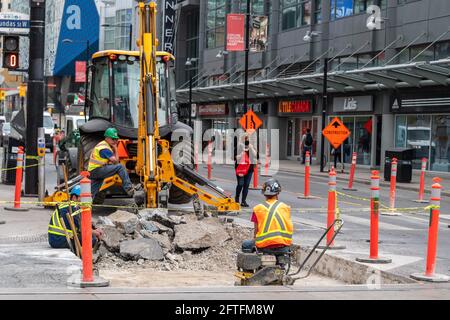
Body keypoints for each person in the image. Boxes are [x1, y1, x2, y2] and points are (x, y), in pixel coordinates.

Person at [242, 179, 293, 259]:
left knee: (246, 245)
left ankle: (249, 270)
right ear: (278, 193)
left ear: (264, 194)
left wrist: (255, 240)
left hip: (264, 246)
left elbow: (256, 231)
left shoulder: (258, 208)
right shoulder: (286, 207)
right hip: (284, 245)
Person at [88, 128, 134, 202]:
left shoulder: (103, 145)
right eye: (113, 139)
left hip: (93, 171)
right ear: (107, 138)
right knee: (120, 167)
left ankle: (84, 208)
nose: (115, 141)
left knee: (91, 192)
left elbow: (115, 161)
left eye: (116, 139)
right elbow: (116, 162)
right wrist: (116, 149)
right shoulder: (105, 148)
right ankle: (128, 188)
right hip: (97, 170)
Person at [234, 134, 257, 207]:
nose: (247, 141)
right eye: (245, 139)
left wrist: (251, 148)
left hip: (249, 169)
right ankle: (237, 198)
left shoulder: (251, 147)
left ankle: (243, 201)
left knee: (246, 185)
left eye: (248, 139)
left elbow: (256, 156)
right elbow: (234, 158)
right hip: (240, 169)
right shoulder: (239, 147)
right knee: (240, 184)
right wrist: (242, 153)